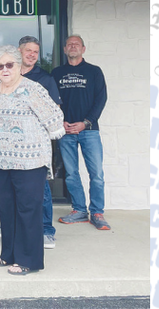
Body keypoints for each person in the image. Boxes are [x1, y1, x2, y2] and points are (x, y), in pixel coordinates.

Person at [0, 45, 64, 276]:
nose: (4, 69)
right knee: (7, 209)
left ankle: (29, 261)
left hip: (30, 161)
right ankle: (8, 255)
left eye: (9, 65)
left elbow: (55, 119)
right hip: (1, 160)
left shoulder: (32, 89)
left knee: (27, 210)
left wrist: (40, 139)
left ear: (19, 66)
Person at [53, 35, 110, 231]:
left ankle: (97, 212)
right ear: (64, 49)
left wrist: (85, 123)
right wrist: (60, 121)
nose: (73, 47)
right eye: (70, 44)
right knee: (71, 174)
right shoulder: (57, 73)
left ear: (83, 49)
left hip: (89, 131)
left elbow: (101, 100)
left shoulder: (94, 72)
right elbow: (52, 101)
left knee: (96, 174)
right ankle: (79, 210)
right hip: (66, 131)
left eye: (77, 44)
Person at [16, 36, 63, 250]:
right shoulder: (9, 75)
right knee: (16, 188)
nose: (32, 55)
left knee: (40, 188)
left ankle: (46, 231)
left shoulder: (45, 79)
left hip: (37, 144)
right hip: (13, 144)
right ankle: (18, 228)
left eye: (36, 51)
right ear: (19, 51)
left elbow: (54, 112)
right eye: (28, 50)